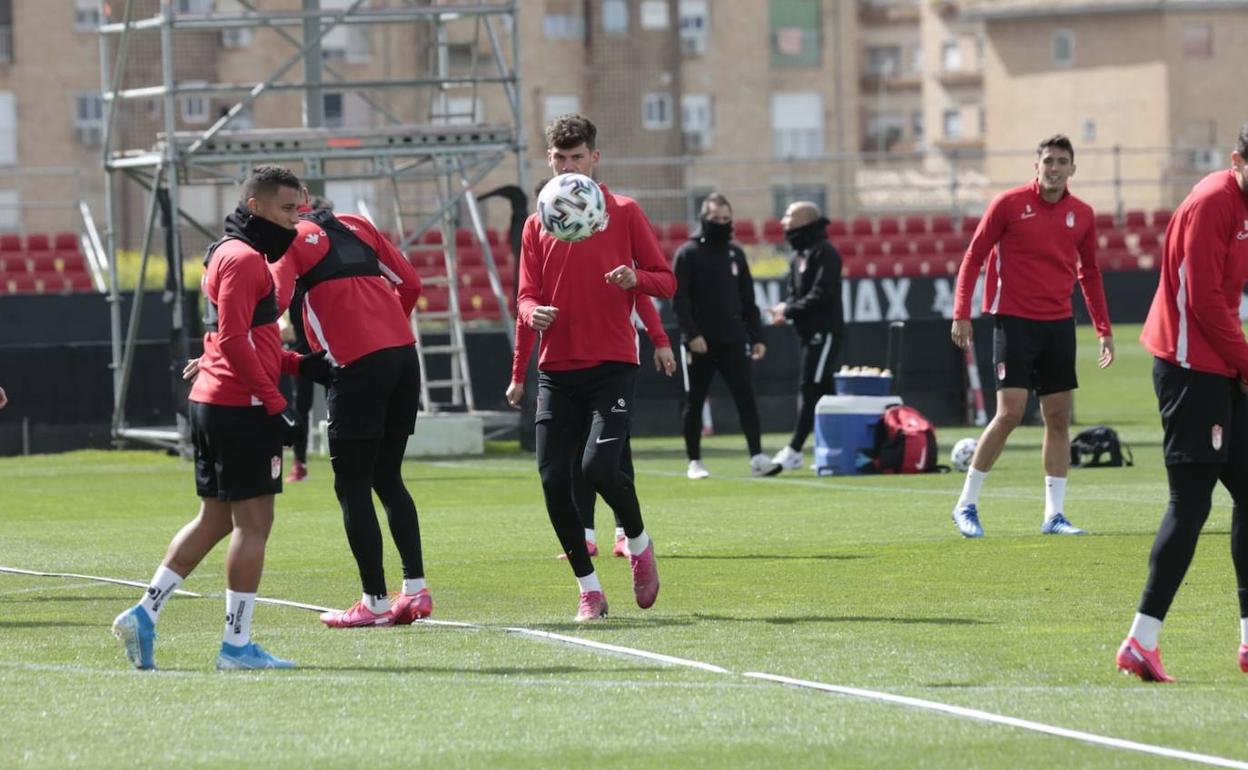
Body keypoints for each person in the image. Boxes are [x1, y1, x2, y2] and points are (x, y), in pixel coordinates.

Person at [112, 165, 321, 670]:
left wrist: (298, 364)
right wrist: (276, 403)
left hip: (216, 401)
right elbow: (231, 341)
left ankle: (145, 614)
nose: (294, 222)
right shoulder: (246, 259)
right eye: (286, 209)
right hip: (239, 407)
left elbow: (237, 339)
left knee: (216, 519)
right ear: (256, 205)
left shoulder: (224, 252)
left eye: (299, 210)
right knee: (255, 524)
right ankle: (236, 646)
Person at [516, 113, 676, 621]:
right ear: (549, 160)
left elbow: (665, 281)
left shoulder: (624, 211)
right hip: (557, 370)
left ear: (594, 159)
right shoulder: (537, 221)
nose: (567, 166)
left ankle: (639, 542)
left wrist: (635, 278)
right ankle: (589, 589)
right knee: (551, 480)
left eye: (576, 158)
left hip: (612, 365)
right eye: (559, 158)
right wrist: (530, 313)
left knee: (598, 467)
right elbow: (524, 295)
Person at [1115, 123, 1248, 683]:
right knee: (1190, 504)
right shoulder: (1215, 200)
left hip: (1222, 367)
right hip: (1192, 368)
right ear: (1239, 159)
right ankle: (1141, 641)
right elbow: (1201, 298)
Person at [269, 187, 431, 629]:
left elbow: (274, 303)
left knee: (352, 486)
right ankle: (415, 590)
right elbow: (411, 283)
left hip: (356, 365)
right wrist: (386, 326)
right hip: (404, 356)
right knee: (388, 476)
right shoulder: (357, 224)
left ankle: (375, 602)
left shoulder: (288, 238)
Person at [949, 134, 1114, 539]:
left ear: (1072, 168)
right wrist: (962, 313)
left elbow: (1089, 273)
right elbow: (974, 256)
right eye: (1048, 161)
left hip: (1058, 323)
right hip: (1013, 321)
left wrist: (1103, 329)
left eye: (1062, 161)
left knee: (1057, 417)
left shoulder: (1083, 214)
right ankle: (966, 503)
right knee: (1010, 413)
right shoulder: (1008, 205)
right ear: (1036, 166)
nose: (1054, 167)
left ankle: (1054, 515)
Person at [508, 291, 676, 559]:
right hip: (568, 367)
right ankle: (585, 533)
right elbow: (527, 308)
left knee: (615, 449)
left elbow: (640, 296)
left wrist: (660, 339)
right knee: (580, 450)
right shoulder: (551, 255)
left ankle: (625, 532)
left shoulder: (616, 253)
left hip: (614, 362)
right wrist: (517, 375)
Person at [674, 192, 779, 479]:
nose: (720, 223)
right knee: (694, 401)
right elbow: (679, 301)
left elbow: (747, 299)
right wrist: (692, 334)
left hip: (734, 340)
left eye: (725, 218)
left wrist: (756, 336)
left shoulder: (735, 253)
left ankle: (757, 456)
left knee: (746, 397)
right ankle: (694, 461)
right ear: (703, 219)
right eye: (714, 218)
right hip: (700, 344)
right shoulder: (688, 253)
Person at [766, 201, 844, 472]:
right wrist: (784, 310)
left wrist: (789, 310)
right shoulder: (798, 255)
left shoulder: (826, 252)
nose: (783, 220)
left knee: (811, 389)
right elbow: (796, 295)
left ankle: (795, 449)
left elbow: (822, 294)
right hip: (809, 333)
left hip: (824, 333)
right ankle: (837, 449)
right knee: (825, 392)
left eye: (789, 215)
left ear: (804, 220)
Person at [277, 194, 335, 483]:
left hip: (328, 344)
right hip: (300, 344)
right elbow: (276, 296)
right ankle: (299, 463)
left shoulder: (328, 262)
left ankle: (345, 458)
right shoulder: (289, 255)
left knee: (337, 400)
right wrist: (281, 323)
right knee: (301, 403)